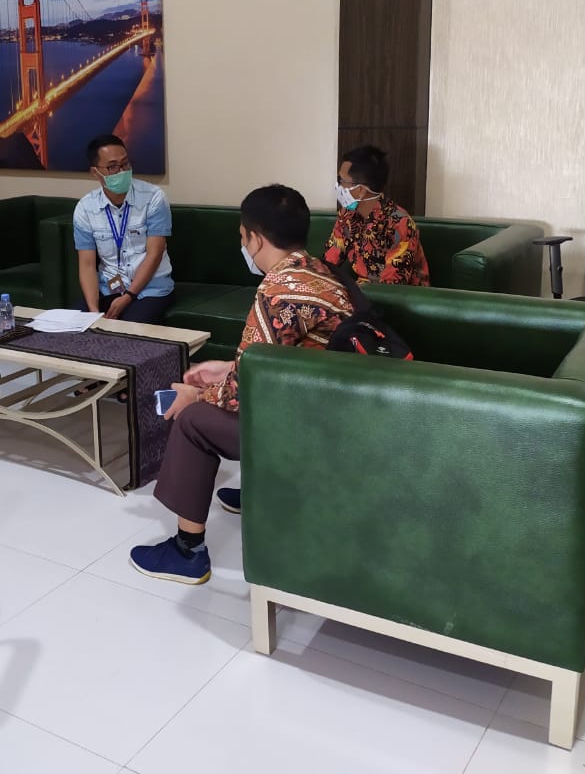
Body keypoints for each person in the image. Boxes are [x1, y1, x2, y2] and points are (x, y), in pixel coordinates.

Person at [129, 184, 354, 585]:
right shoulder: (317, 271)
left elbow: (242, 394)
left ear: (257, 238)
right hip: (335, 411)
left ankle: (187, 551)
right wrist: (228, 367)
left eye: (243, 238)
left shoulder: (277, 291)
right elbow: (275, 363)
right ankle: (259, 492)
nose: (244, 247)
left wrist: (196, 395)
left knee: (193, 420)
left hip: (311, 428)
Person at [73, 134, 174, 323]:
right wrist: (93, 313)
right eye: (112, 167)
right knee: (75, 326)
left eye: (125, 164)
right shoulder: (85, 208)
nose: (122, 171)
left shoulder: (153, 198)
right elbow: (87, 265)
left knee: (128, 330)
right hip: (108, 289)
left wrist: (128, 296)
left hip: (149, 289)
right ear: (95, 172)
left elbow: (155, 254)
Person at [324, 145, 429, 286]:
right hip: (361, 291)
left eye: (342, 181)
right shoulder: (346, 215)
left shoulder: (399, 223)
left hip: (399, 295)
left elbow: (392, 286)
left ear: (361, 190)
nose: (338, 186)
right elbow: (329, 262)